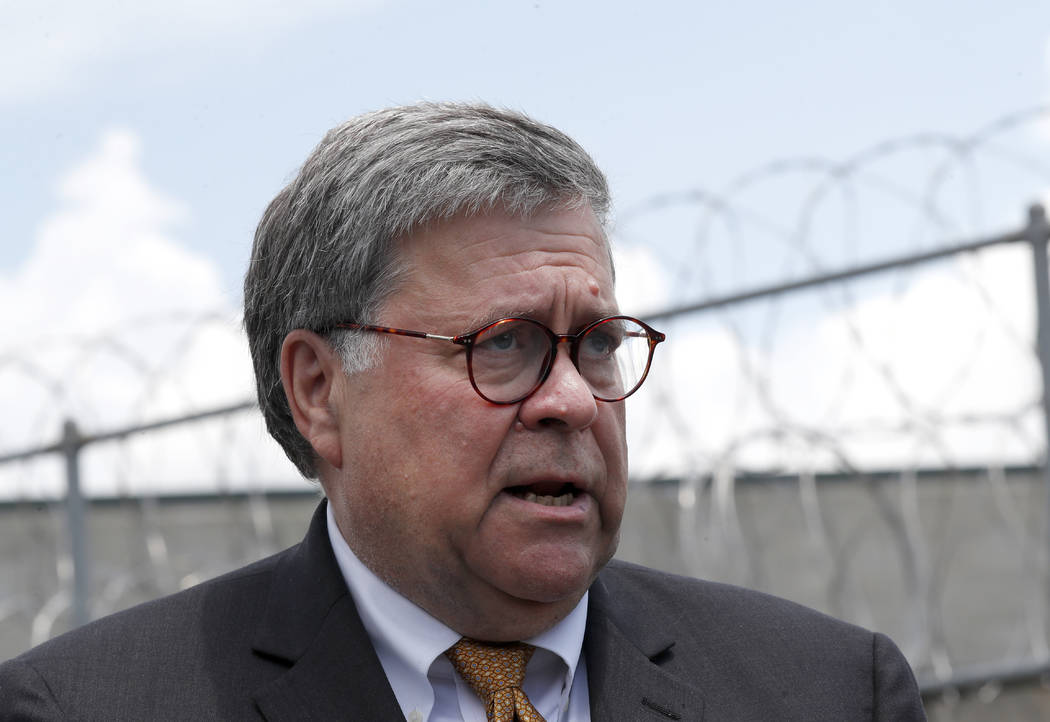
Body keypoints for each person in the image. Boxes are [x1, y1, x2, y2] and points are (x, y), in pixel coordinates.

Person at [0, 102, 926, 720]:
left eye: (596, 342)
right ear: (319, 391)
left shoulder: (830, 692)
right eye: (505, 345)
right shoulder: (88, 707)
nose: (570, 398)